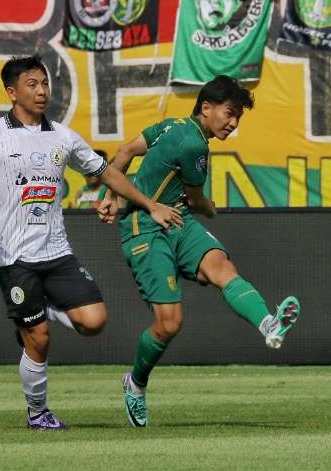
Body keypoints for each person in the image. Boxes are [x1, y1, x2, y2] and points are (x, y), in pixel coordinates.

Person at [0, 55, 182, 431]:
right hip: (12, 256)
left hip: (57, 252)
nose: (41, 91)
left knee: (94, 322)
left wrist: (148, 204)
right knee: (38, 339)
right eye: (32, 84)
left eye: (44, 83)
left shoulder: (62, 135)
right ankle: (38, 413)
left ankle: (41, 310)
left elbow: (105, 173)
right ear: (11, 91)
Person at [98, 75, 301, 428]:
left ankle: (268, 323)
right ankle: (136, 383)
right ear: (206, 107)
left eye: (238, 116)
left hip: (177, 219)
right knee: (169, 324)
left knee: (222, 267)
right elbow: (195, 198)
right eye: (230, 113)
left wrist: (110, 194)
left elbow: (127, 151)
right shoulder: (193, 144)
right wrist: (208, 207)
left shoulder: (172, 124)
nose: (234, 123)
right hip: (145, 226)